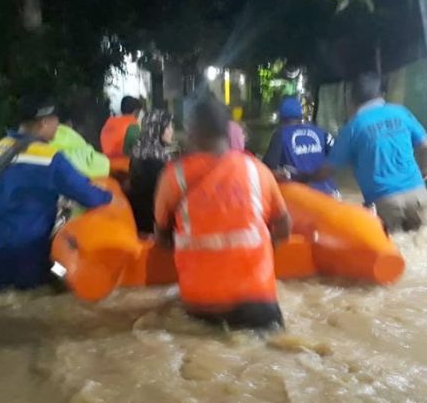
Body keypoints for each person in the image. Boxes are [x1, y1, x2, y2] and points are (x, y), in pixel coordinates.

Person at [154, 97, 292, 331]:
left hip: (202, 305)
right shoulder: (257, 171)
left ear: (190, 132)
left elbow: (161, 236)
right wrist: (263, 253)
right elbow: (284, 226)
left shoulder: (173, 176)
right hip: (259, 303)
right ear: (228, 130)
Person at [0, 95, 113, 293]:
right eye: (57, 121)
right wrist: (110, 195)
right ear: (44, 122)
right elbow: (90, 197)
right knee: (67, 276)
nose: (58, 127)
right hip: (30, 261)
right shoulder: (50, 158)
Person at [313, 72, 427, 233]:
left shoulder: (353, 127)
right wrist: (425, 169)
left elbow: (327, 170)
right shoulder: (400, 112)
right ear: (381, 94)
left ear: (352, 99)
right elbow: (425, 145)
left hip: (385, 201)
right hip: (417, 193)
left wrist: (303, 177)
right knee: (422, 242)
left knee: (393, 250)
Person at [262, 97, 339, 197]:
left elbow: (267, 169)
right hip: (331, 192)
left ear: (281, 118)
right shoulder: (320, 132)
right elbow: (337, 158)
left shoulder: (280, 135)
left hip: (302, 199)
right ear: (301, 116)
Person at [127, 110, 175, 234]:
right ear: (156, 129)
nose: (172, 131)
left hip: (138, 219)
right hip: (153, 224)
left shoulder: (138, 151)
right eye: (168, 127)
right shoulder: (156, 159)